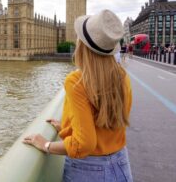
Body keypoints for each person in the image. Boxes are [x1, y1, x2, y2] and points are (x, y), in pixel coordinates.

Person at [23, 9, 133, 182]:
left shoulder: (76, 81)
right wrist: (67, 128)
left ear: (82, 45)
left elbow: (85, 144)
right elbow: (106, 121)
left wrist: (45, 144)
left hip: (88, 171)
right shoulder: (122, 76)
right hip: (121, 164)